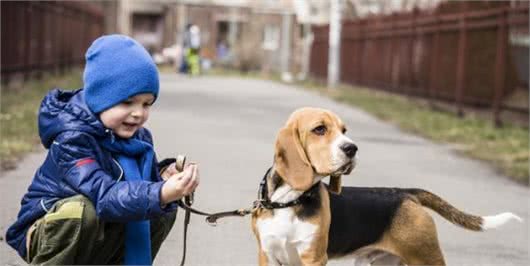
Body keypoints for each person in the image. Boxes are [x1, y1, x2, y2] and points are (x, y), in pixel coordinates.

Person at [5, 34, 200, 265]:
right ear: (100, 99)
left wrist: (163, 178)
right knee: (82, 211)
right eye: (128, 102)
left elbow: (138, 191)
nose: (139, 113)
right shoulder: (73, 139)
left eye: (147, 103)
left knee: (161, 207)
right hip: (47, 232)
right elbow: (104, 195)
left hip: (100, 228)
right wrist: (159, 192)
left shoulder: (140, 138)